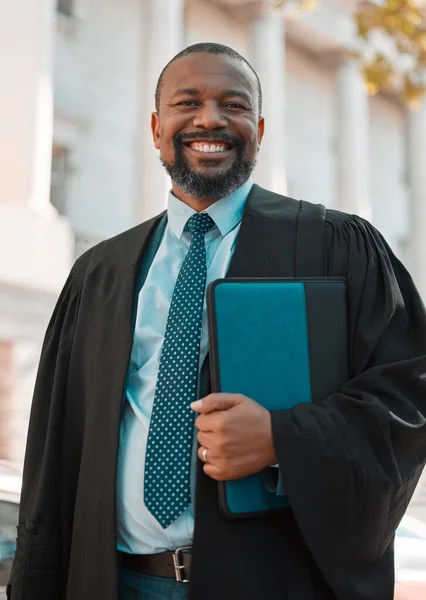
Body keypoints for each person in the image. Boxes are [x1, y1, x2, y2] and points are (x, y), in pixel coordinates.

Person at [7, 42, 426, 600]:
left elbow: (408, 397)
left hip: (268, 583)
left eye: (233, 104)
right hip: (115, 581)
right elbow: (54, 453)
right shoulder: (100, 273)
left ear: (259, 127)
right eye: (188, 103)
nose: (209, 118)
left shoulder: (336, 248)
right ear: (157, 128)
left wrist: (283, 439)